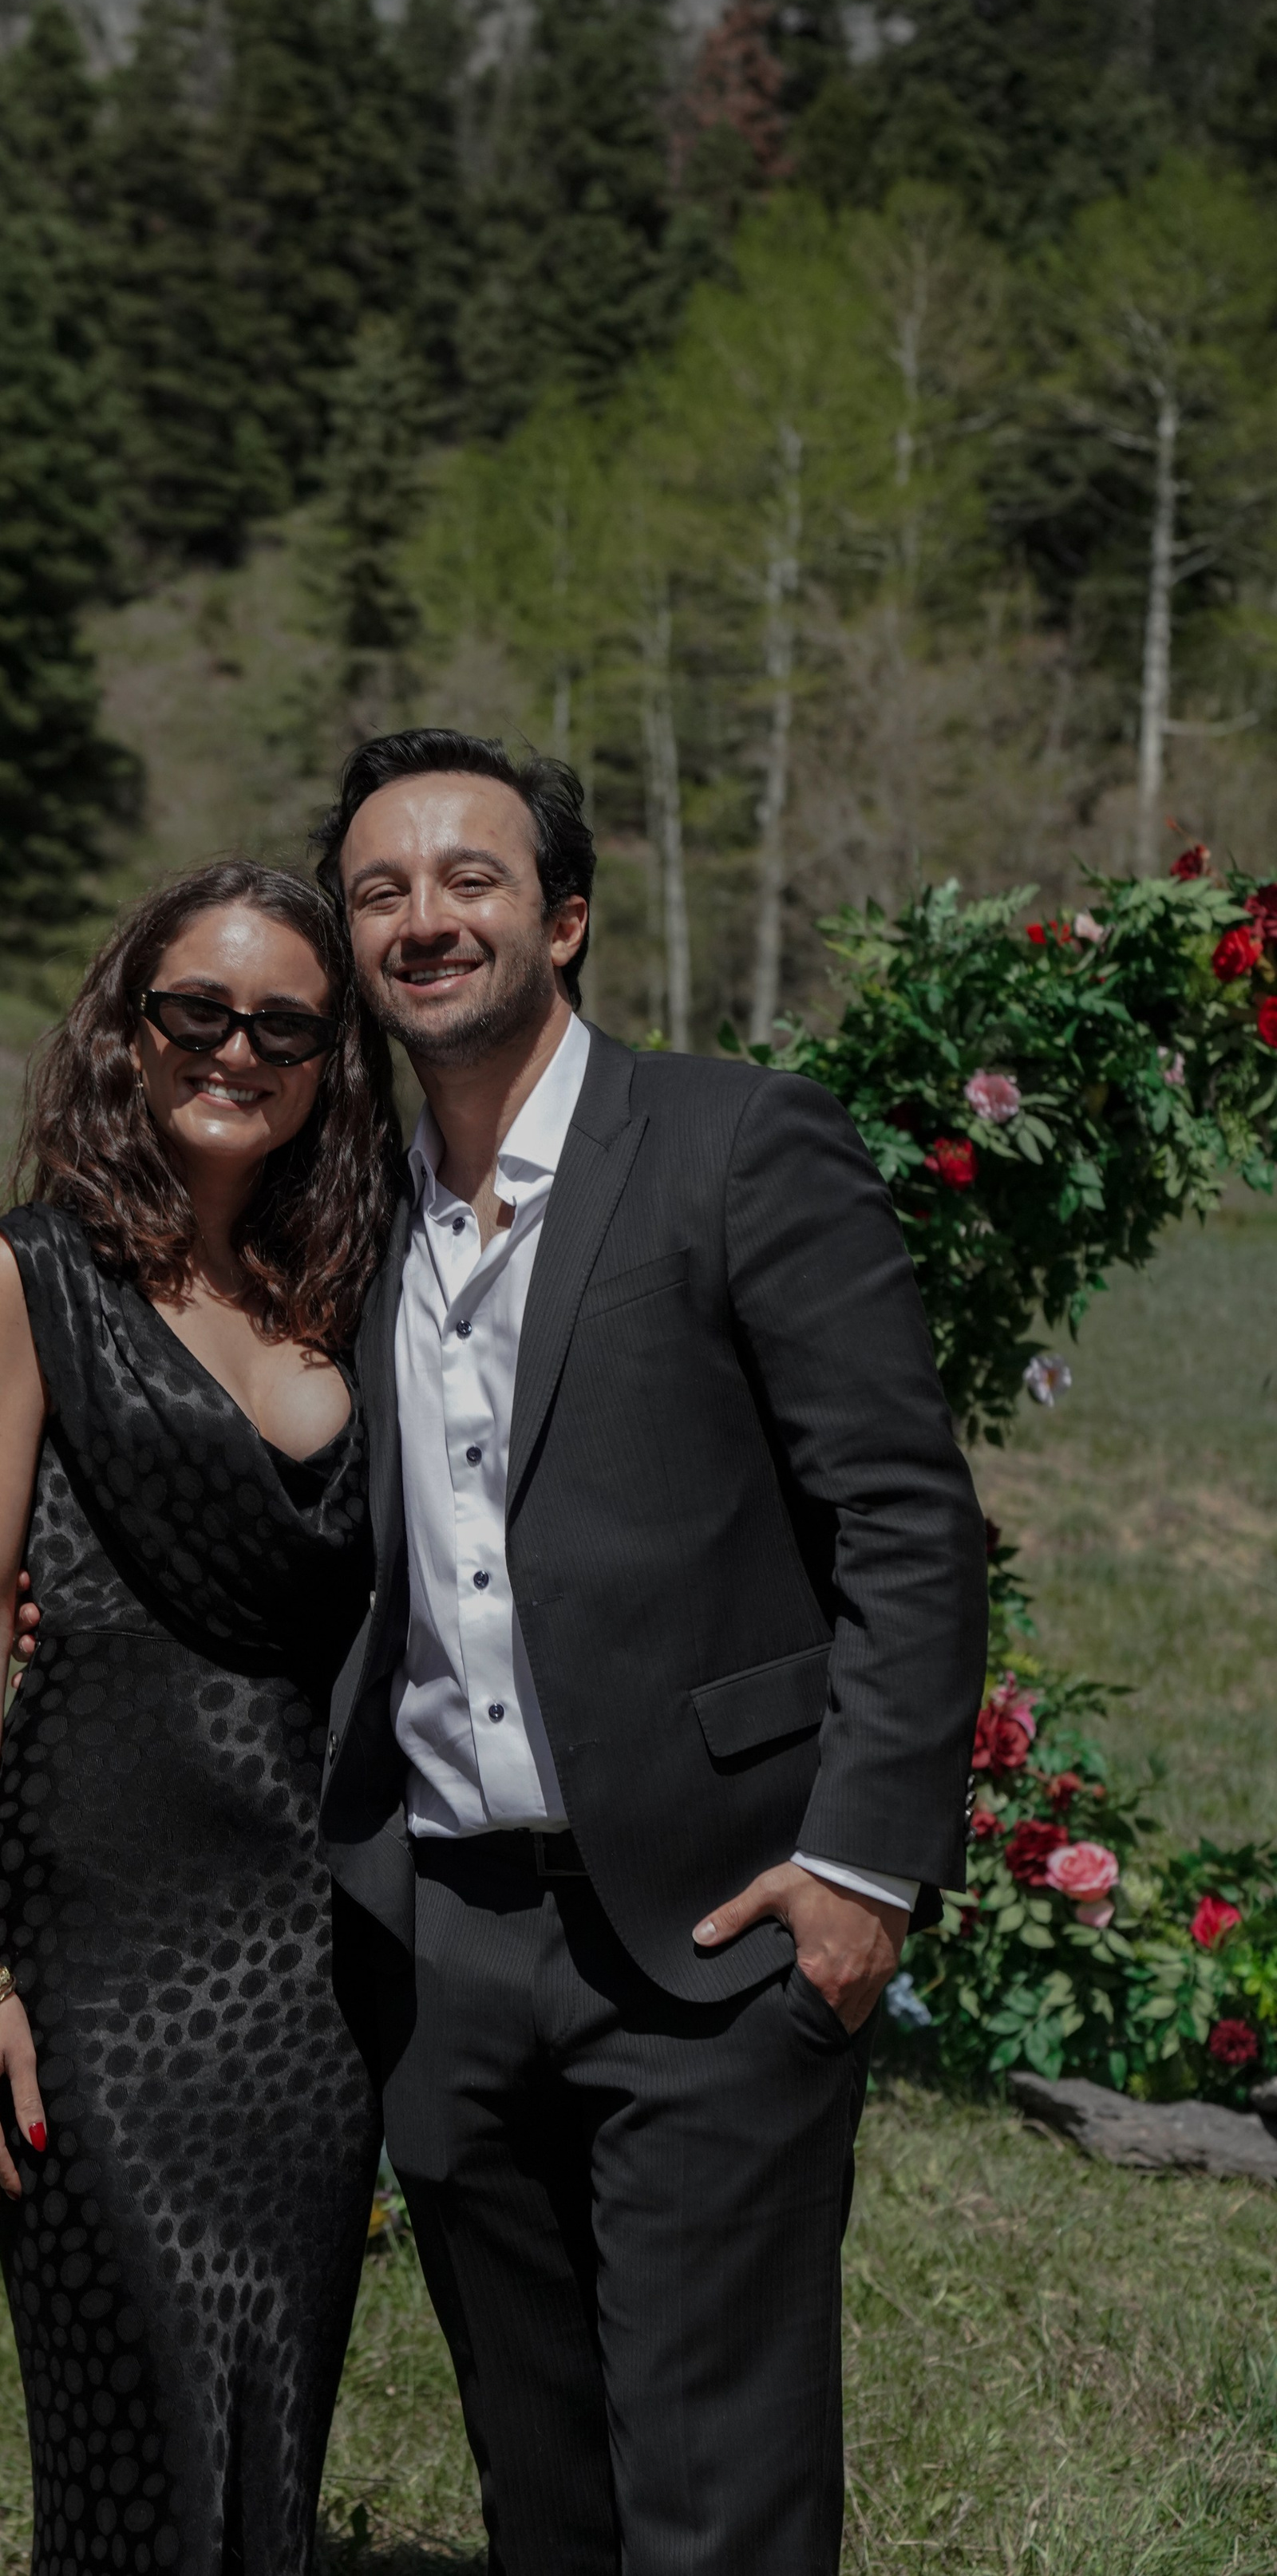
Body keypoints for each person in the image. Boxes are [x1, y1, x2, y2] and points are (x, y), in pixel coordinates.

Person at [312, 729, 986, 2574]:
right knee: (544, 2502)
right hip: (445, 1938)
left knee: (716, 2500)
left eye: (469, 879)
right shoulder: (350, 1206)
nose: (422, 918)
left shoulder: (732, 1141)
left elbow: (903, 1518)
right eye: (377, 891)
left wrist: (860, 1868)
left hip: (717, 1924)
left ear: (564, 919)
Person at [0, 858, 398, 2576]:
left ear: (330, 1063)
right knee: (139, 2399)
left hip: (309, 1932)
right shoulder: (27, 1275)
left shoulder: (354, 1277)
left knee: (274, 2380)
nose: (235, 1050)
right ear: (130, 1028)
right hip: (104, 1927)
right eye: (197, 1010)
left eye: (285, 1026)